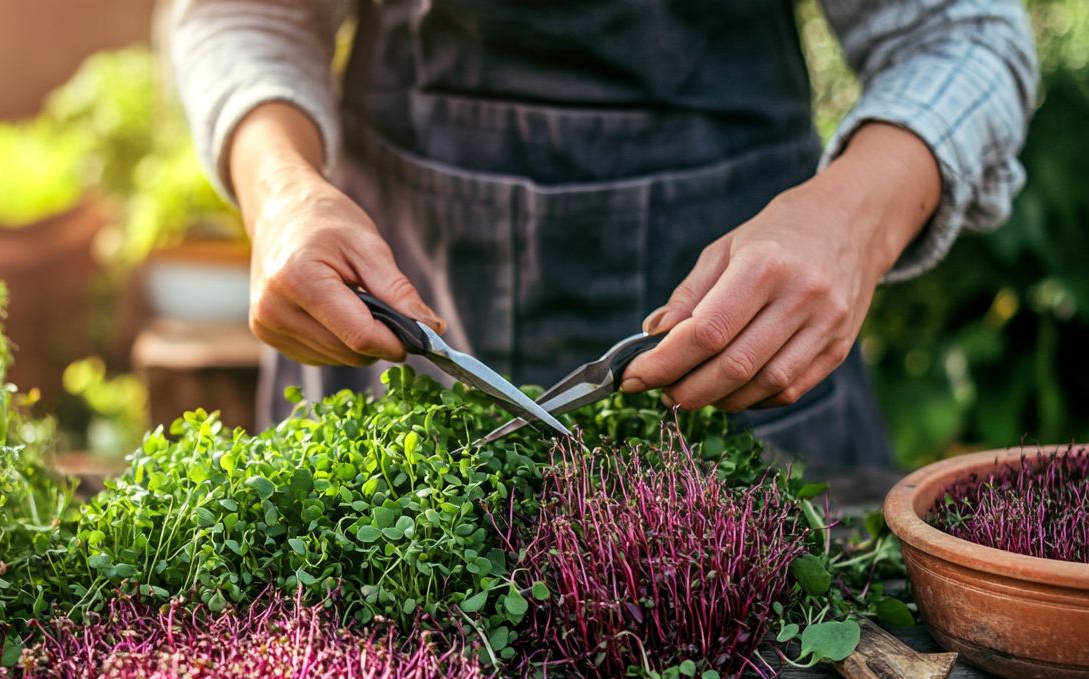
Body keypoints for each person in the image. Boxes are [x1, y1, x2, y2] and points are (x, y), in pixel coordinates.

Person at [169, 0, 1036, 472]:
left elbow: (965, 37)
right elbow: (243, 14)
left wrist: (851, 222)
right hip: (387, 293)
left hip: (747, 329)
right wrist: (280, 191)